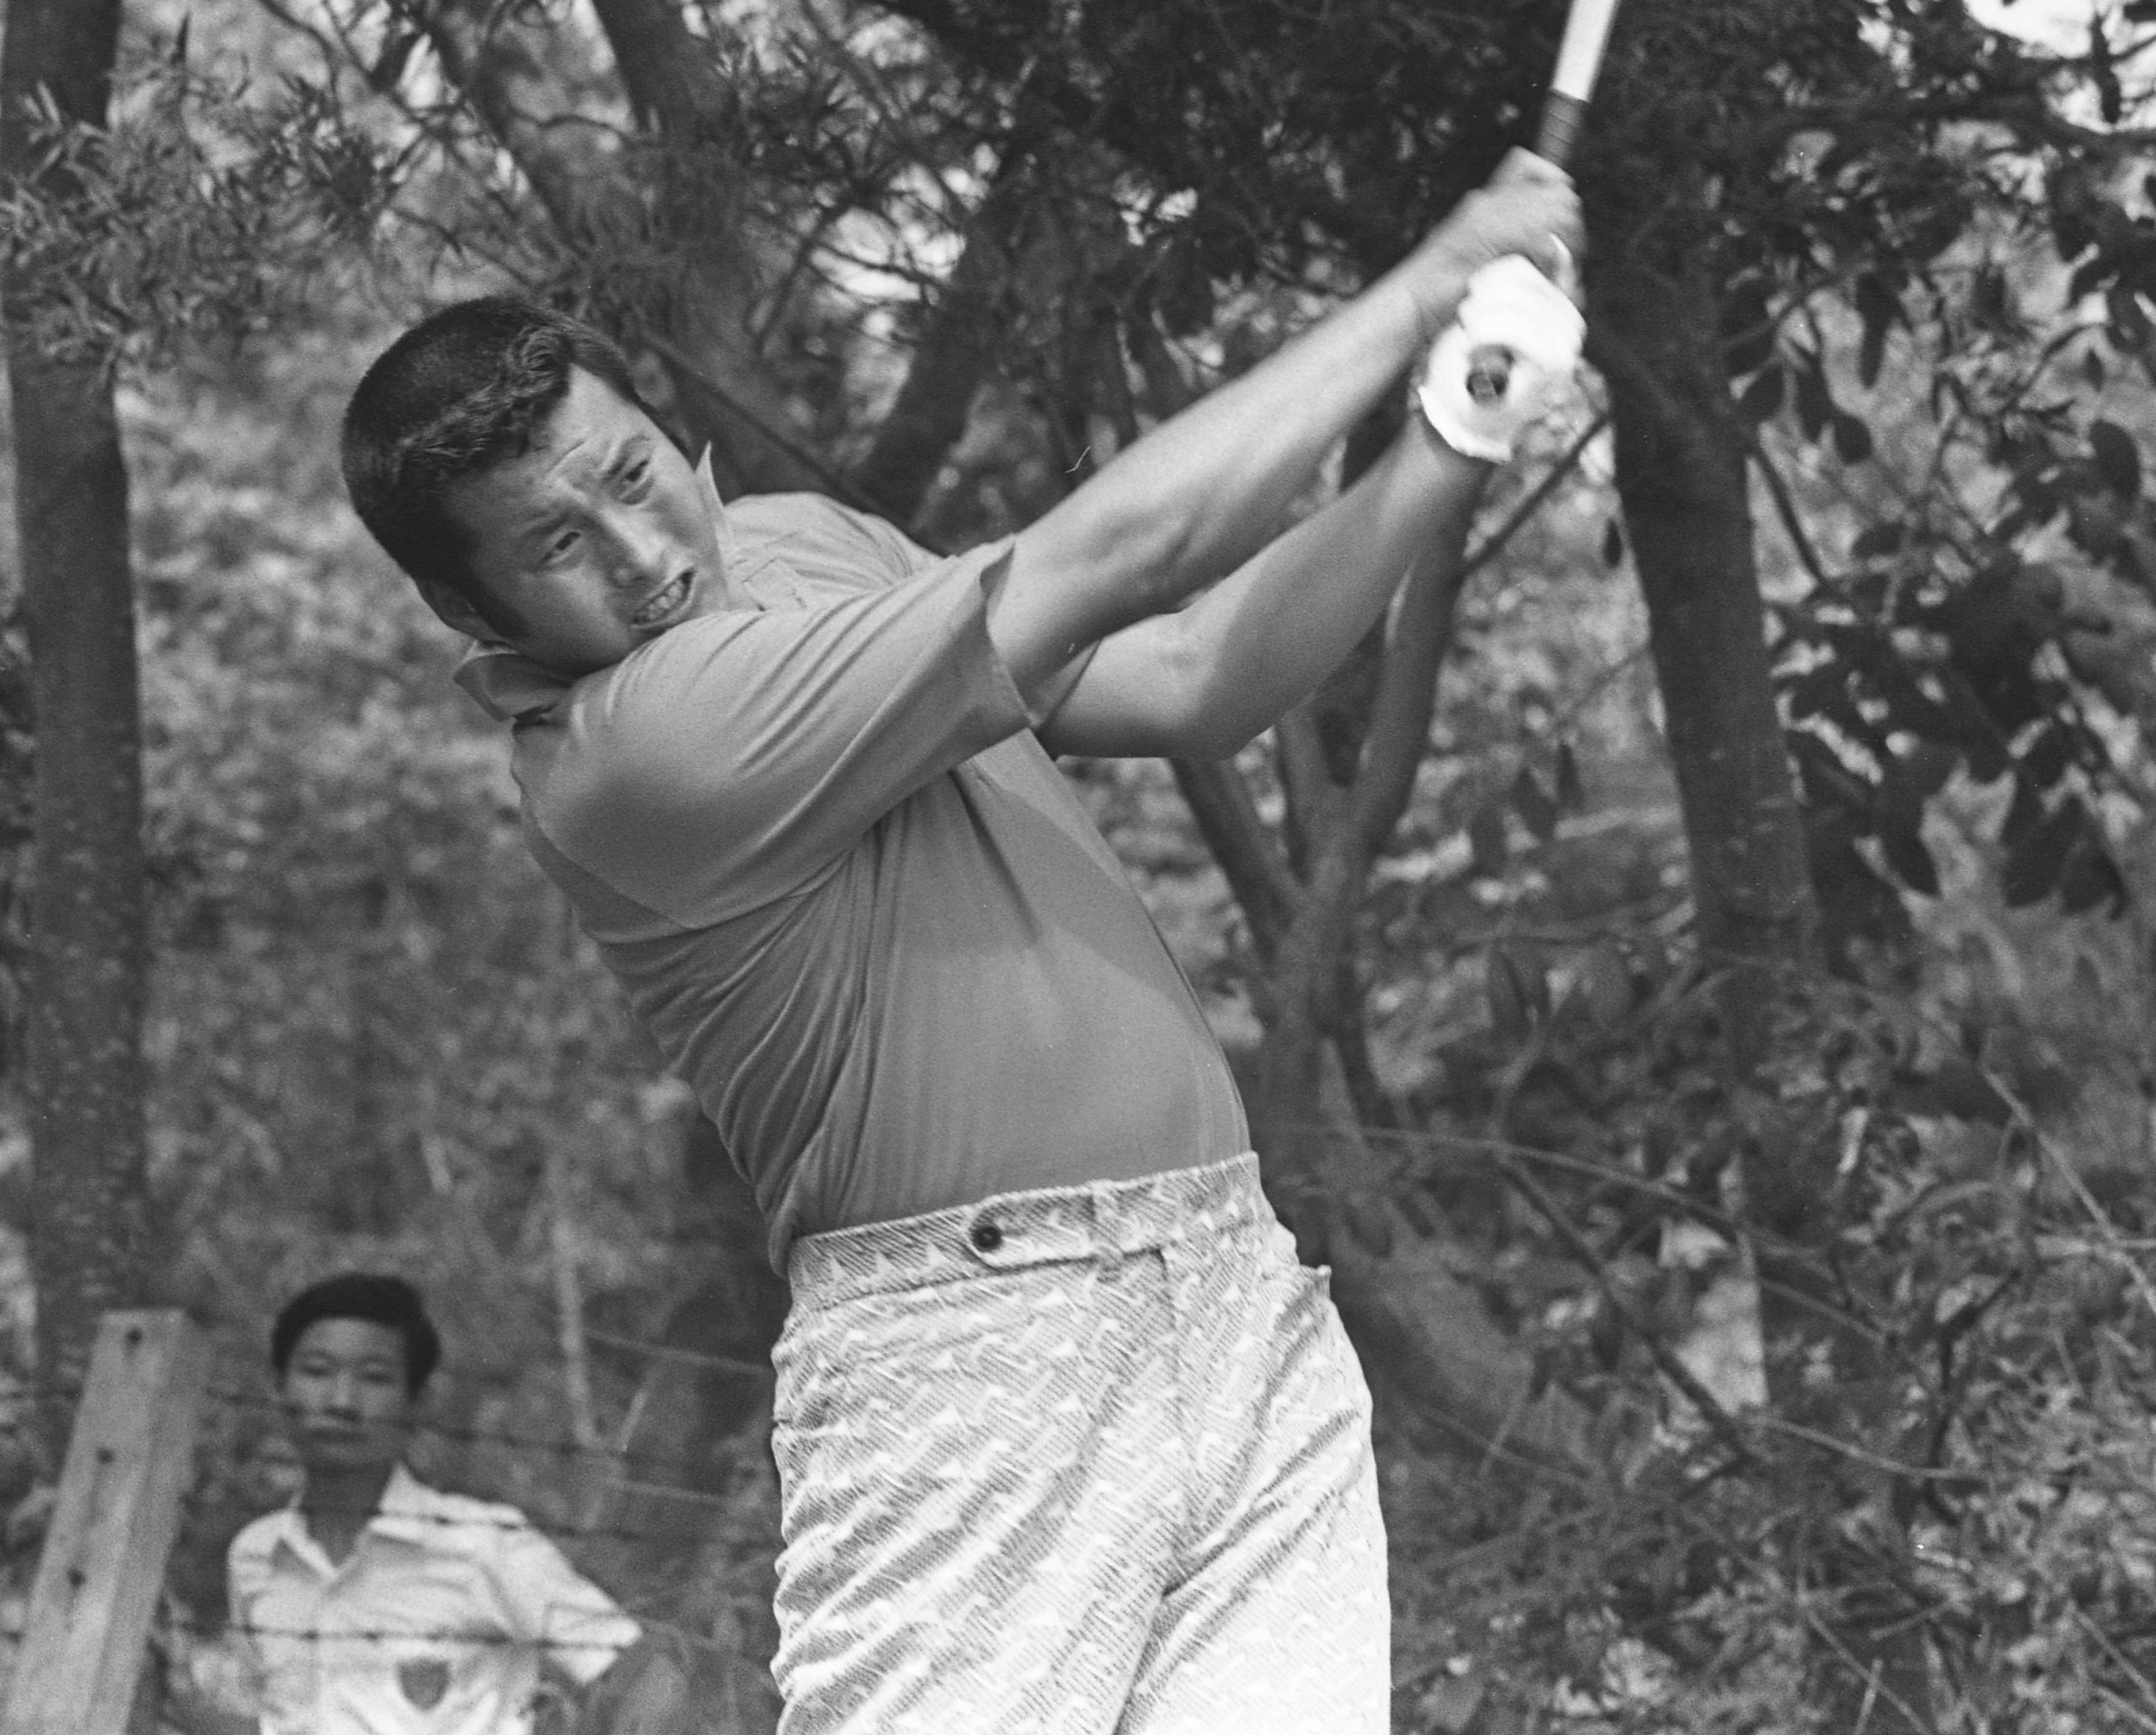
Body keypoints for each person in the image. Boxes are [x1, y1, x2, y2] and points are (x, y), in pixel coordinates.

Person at [337, 152, 1587, 1733]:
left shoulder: (799, 545)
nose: (646, 556)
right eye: (559, 546)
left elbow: (1197, 671)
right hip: (978, 1355)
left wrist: (1448, 434)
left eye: (635, 475)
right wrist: (1432, 277)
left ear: (666, 431)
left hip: (1233, 1286)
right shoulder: (636, 742)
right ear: (481, 618)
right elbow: (1108, 558)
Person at [215, 1273, 682, 1735]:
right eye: (316, 1372)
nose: (341, 1401)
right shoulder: (256, 1556)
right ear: (280, 1387)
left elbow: (644, 1679)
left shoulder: (480, 1546)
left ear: (417, 1401)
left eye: (375, 1379)